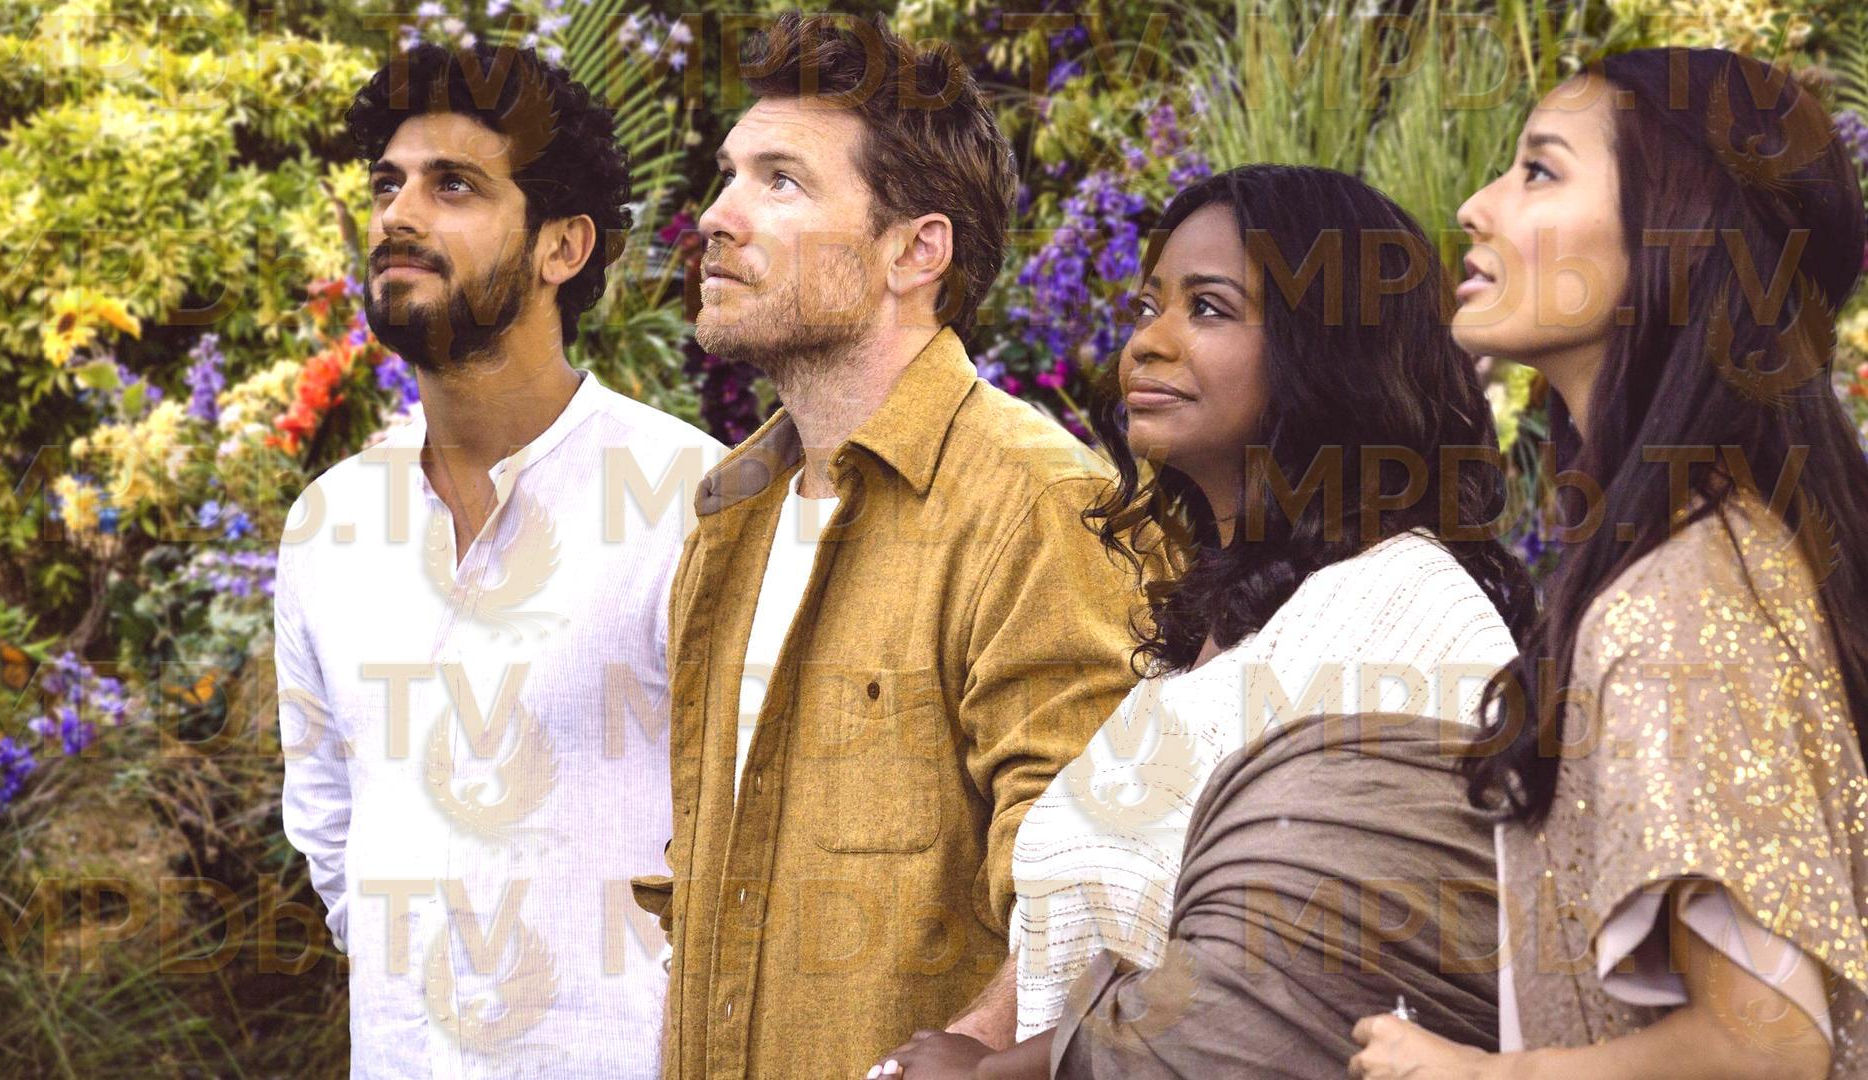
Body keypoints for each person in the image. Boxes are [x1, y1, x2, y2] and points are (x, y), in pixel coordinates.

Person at [873, 164, 1534, 1077]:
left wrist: (996, 1074)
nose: (1148, 342)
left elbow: (1316, 984)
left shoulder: (1409, 612)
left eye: (1209, 308)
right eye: (1150, 305)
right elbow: (1080, 944)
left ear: (1331, 348)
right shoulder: (1195, 650)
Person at [628, 13, 1144, 1079]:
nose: (716, 218)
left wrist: (969, 1058)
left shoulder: (1038, 508)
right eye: (729, 176)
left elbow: (1088, 896)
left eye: (780, 181)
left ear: (917, 251)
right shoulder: (729, 520)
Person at [1350, 47, 1868, 1079]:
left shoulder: (1683, 596)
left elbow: (1768, 1043)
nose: (1475, 206)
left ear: (1677, 235)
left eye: (1539, 170)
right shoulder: (1735, 552)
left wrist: (1477, 1073)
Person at [275, 44, 721, 1078]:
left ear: (563, 245)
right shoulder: (331, 526)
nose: (398, 215)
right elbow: (330, 826)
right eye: (387, 184)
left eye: (453, 186)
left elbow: (756, 831)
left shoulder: (691, 503)